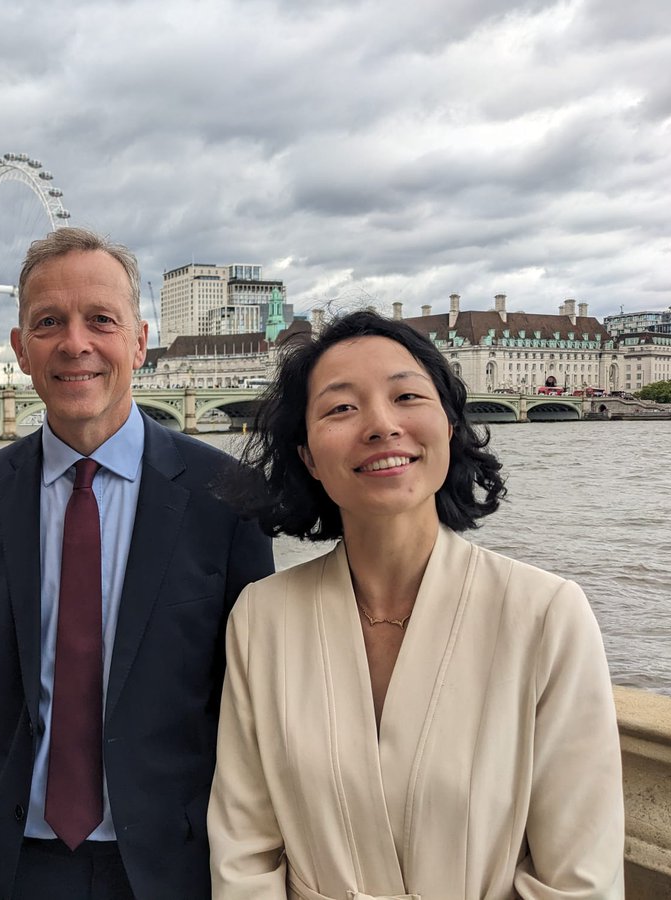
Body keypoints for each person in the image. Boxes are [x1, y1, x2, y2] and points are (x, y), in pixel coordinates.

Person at [208, 310, 624, 899]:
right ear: (308, 457)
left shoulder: (547, 615)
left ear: (450, 426)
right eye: (340, 408)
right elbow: (243, 858)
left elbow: (580, 879)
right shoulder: (261, 619)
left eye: (405, 395)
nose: (381, 425)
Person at [0, 227, 274, 900]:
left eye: (101, 320)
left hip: (173, 866)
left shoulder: (227, 496)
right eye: (49, 322)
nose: (75, 343)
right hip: (15, 864)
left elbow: (253, 705)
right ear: (21, 349)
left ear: (140, 342)